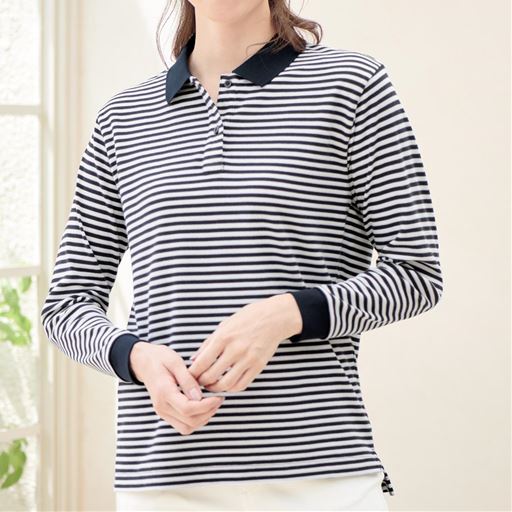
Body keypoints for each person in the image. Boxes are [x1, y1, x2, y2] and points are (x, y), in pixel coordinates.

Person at [40, 0, 444, 510]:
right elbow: (66, 306)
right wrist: (136, 358)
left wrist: (286, 314)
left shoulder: (352, 86)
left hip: (319, 476)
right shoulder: (123, 119)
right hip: (164, 480)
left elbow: (416, 274)